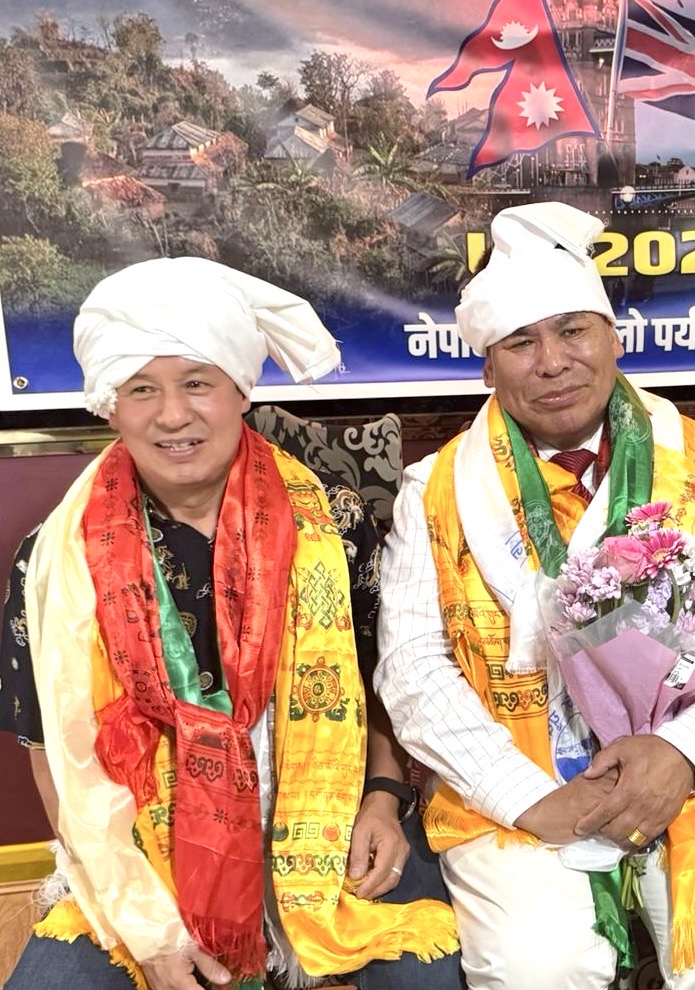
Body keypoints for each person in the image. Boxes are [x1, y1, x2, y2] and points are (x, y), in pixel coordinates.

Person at [376, 201, 695, 990]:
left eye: (572, 330)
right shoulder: (434, 490)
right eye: (520, 342)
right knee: (537, 966)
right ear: (487, 367)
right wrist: (526, 798)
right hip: (517, 780)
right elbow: (412, 668)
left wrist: (684, 754)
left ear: (613, 338)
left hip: (689, 773)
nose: (551, 362)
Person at [0, 258, 461, 990]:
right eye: (141, 389)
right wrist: (143, 921)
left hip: (328, 822)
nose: (172, 416)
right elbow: (49, 748)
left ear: (241, 391)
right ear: (110, 405)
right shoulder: (55, 560)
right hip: (138, 851)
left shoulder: (333, 524)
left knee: (429, 977)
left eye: (197, 383)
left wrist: (384, 797)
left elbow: (384, 687)